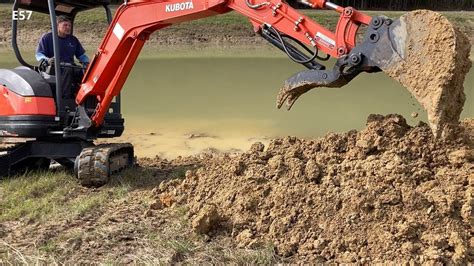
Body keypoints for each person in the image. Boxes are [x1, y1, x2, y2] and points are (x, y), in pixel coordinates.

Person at [35, 15, 89, 99]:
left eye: (69, 25)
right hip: (53, 67)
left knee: (86, 72)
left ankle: (85, 99)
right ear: (57, 26)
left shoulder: (73, 40)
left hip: (70, 67)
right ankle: (64, 99)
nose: (68, 27)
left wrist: (88, 64)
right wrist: (47, 60)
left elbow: (82, 56)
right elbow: (39, 54)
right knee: (68, 68)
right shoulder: (47, 37)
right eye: (65, 25)